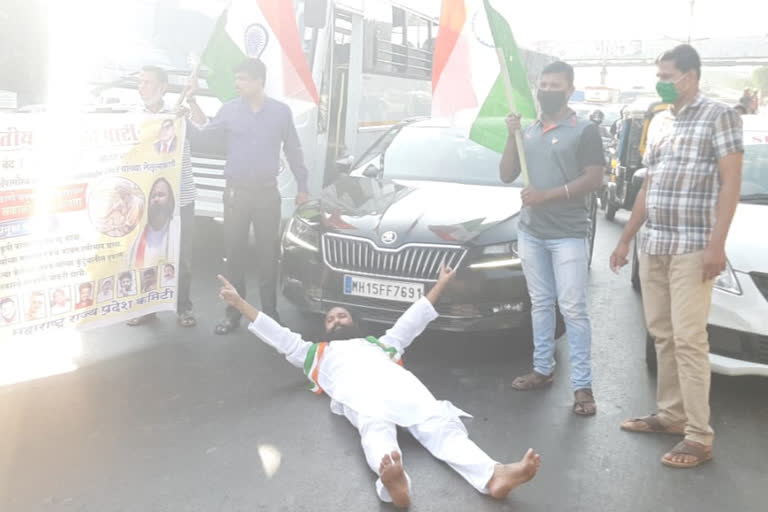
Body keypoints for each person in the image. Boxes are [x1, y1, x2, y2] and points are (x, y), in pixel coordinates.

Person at [216, 267, 541, 508]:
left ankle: (493, 475)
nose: (336, 320)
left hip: (405, 391)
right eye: (330, 319)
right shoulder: (317, 353)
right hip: (361, 396)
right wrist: (241, 304)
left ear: (355, 324)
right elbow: (280, 337)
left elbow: (411, 322)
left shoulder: (382, 344)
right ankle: (394, 483)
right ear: (325, 330)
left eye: (342, 316)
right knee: (375, 432)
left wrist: (440, 285)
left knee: (442, 428)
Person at [610, 45, 743, 469]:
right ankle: (671, 415)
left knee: (689, 339)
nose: (660, 81)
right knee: (662, 334)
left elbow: (730, 183)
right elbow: (650, 186)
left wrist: (716, 244)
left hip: (692, 246)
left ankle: (699, 435)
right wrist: (626, 237)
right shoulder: (662, 120)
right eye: (659, 74)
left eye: (667, 74)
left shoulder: (720, 115)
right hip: (656, 244)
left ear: (691, 75)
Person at [499, 61, 604, 416]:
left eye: (554, 85)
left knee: (573, 309)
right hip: (532, 233)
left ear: (569, 88)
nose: (546, 90)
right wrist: (510, 135)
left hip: (568, 235)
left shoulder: (584, 130)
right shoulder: (528, 130)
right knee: (541, 303)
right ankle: (542, 369)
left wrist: (548, 195)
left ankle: (582, 387)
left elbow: (593, 179)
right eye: (542, 84)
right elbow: (506, 173)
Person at [187, 58, 310, 334]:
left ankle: (269, 315)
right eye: (237, 78)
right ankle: (233, 313)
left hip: (267, 195)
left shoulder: (280, 112)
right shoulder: (229, 110)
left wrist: (302, 186)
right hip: (235, 195)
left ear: (259, 81)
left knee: (268, 257)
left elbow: (293, 150)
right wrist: (190, 104)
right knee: (234, 255)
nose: (237, 84)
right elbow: (204, 137)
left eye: (243, 78)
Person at [128, 65, 197, 328]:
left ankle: (183, 308)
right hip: (149, 197)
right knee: (150, 253)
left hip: (181, 197)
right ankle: (148, 308)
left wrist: (186, 114)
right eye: (140, 82)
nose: (141, 87)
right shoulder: (133, 117)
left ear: (163, 87)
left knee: (183, 255)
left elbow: (204, 131)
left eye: (147, 82)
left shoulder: (179, 114)